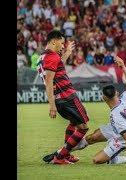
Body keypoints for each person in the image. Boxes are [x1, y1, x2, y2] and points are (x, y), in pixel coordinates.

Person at [64, 56, 126, 165]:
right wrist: (123, 67)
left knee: (96, 160)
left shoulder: (116, 115)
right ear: (117, 93)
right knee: (92, 137)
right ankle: (64, 151)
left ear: (104, 98)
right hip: (118, 128)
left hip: (124, 137)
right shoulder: (124, 97)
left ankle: (125, 158)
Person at [39, 30, 89, 164]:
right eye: (61, 43)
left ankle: (65, 155)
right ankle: (61, 157)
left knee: (74, 123)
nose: (62, 46)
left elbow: (57, 64)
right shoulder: (52, 57)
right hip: (67, 97)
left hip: (61, 98)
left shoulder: (44, 56)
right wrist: (52, 106)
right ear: (54, 41)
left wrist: (67, 53)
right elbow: (49, 82)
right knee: (83, 127)